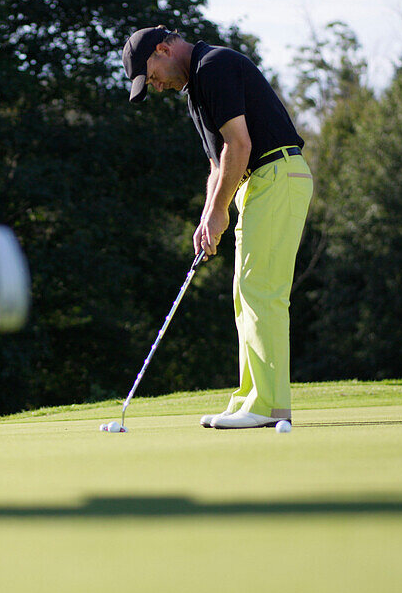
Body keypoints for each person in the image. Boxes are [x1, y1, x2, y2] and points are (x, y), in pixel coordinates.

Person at [121, 26, 313, 429]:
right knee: (245, 297)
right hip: (258, 184)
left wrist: (220, 210)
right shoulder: (197, 90)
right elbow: (218, 162)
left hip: (276, 172)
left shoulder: (215, 65)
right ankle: (249, 398)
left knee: (261, 291)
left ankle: (270, 406)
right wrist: (209, 214)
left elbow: (239, 146)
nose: (154, 87)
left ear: (163, 49)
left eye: (151, 75)